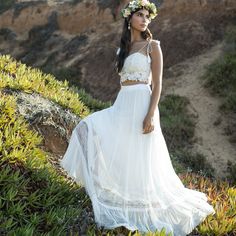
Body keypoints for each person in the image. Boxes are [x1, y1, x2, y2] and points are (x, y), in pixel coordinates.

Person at [60, 0, 215, 235]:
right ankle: (102, 187)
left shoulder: (153, 46)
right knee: (86, 128)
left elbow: (158, 84)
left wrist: (151, 114)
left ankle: (142, 204)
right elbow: (124, 83)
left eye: (147, 16)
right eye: (140, 15)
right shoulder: (121, 49)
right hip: (123, 103)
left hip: (143, 103)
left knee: (141, 155)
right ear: (129, 18)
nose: (144, 19)